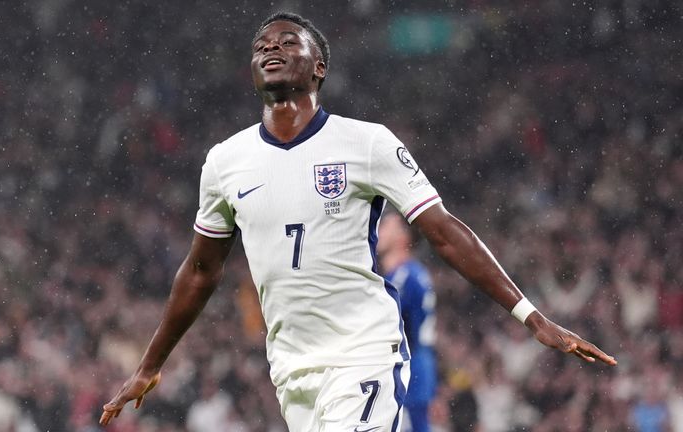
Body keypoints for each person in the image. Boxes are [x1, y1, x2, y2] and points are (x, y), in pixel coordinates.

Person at [99, 11, 616, 431]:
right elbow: (200, 271)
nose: (270, 49)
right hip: (291, 368)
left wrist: (532, 317)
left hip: (363, 351)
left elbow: (443, 231)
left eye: (287, 42)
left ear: (319, 66)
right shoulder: (225, 162)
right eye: (261, 47)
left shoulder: (366, 143)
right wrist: (150, 364)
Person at [377, 213, 438, 432]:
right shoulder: (406, 275)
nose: (378, 229)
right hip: (415, 367)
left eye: (385, 225)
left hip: (408, 370)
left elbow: (396, 329)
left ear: (404, 237)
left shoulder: (405, 278)